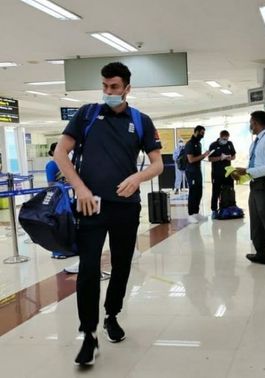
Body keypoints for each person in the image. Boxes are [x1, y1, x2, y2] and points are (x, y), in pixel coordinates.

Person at [54, 62, 163, 366]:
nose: (108, 92)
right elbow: (60, 153)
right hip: (90, 206)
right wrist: (81, 189)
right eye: (105, 86)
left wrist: (137, 178)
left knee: (122, 265)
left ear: (127, 88)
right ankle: (88, 334)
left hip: (126, 208)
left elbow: (157, 164)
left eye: (114, 87)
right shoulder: (87, 114)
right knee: (88, 269)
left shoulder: (140, 121)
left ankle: (111, 314)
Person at [231, 111, 265, 277]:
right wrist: (242, 174)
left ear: (255, 122)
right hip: (256, 186)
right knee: (256, 224)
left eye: (251, 123)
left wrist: (247, 170)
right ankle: (261, 254)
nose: (250, 126)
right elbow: (256, 166)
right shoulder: (256, 142)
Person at [46, 142, 77, 259]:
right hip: (57, 198)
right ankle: (58, 251)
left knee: (68, 223)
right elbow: (51, 183)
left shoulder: (65, 164)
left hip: (66, 197)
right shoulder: (52, 165)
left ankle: (70, 248)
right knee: (60, 223)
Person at [185, 125, 210, 224]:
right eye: (201, 133)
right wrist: (204, 155)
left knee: (199, 191)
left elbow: (198, 158)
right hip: (191, 171)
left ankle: (196, 212)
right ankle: (190, 214)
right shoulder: (189, 144)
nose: (202, 135)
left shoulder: (198, 144)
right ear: (196, 132)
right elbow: (191, 160)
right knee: (193, 191)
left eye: (203, 133)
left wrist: (205, 155)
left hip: (197, 170)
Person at [208, 130, 236, 219]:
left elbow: (234, 156)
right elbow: (210, 159)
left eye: (227, 139)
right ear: (220, 137)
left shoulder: (230, 144)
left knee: (229, 190)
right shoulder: (213, 145)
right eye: (224, 139)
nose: (225, 140)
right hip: (217, 173)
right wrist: (220, 158)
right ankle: (214, 210)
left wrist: (229, 158)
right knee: (216, 191)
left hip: (228, 172)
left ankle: (229, 207)